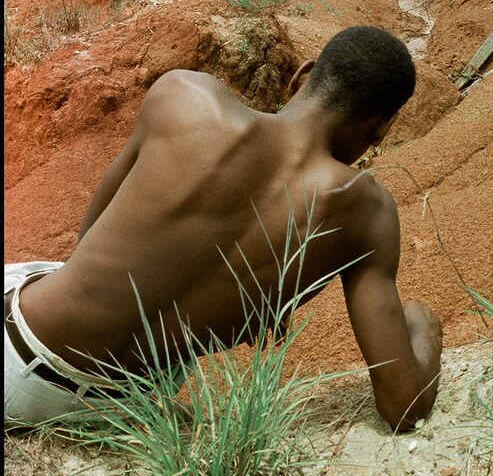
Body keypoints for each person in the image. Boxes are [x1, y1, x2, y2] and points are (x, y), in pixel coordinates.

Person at [5, 25, 443, 431]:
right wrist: (424, 329)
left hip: (19, 355)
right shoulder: (367, 212)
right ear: (382, 128)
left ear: (303, 74)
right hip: (120, 402)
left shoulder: (183, 95)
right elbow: (405, 402)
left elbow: (88, 242)